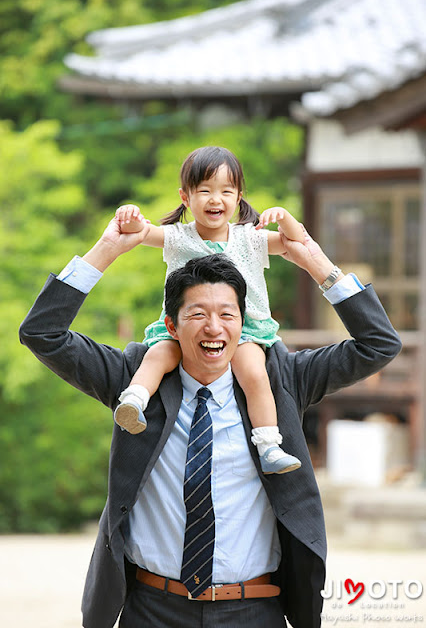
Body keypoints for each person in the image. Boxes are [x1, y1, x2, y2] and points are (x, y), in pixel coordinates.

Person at [19, 200, 401, 628]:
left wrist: (314, 260)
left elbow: (378, 345)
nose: (214, 328)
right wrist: (106, 249)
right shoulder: (136, 379)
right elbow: (42, 333)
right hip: (151, 609)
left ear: (245, 322)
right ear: (170, 324)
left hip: (254, 609)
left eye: (227, 315)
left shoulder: (281, 381)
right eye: (197, 314)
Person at [113, 145, 305, 475]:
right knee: (159, 354)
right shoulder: (177, 237)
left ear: (239, 196)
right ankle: (133, 400)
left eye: (225, 191)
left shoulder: (251, 239)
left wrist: (285, 219)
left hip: (245, 330)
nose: (215, 199)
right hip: (183, 328)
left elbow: (296, 241)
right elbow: (138, 232)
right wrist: (128, 214)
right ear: (186, 197)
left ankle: (269, 444)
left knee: (255, 374)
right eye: (205, 190)